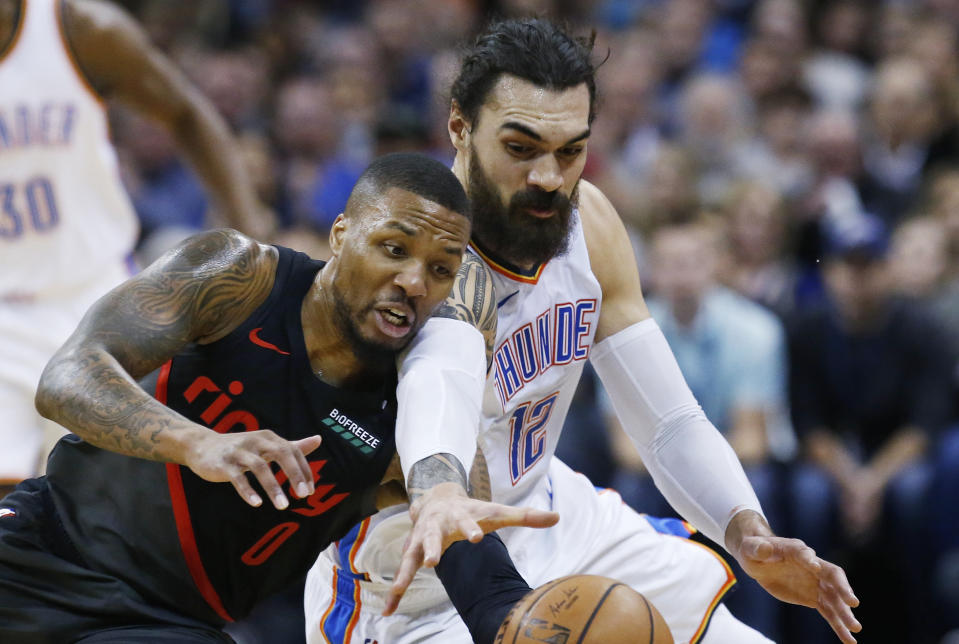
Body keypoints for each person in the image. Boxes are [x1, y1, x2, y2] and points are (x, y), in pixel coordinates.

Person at [306, 19, 861, 644]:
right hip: (419, 579)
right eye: (521, 149)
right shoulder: (414, 272)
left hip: (553, 515)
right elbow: (442, 386)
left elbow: (667, 419)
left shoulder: (587, 221)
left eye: (570, 150)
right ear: (459, 128)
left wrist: (745, 531)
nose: (549, 177)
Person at [0, 153, 556, 643]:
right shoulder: (240, 280)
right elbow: (67, 377)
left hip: (160, 624)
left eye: (440, 270)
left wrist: (515, 620)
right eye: (393, 248)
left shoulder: (412, 421)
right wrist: (198, 444)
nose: (414, 282)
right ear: (341, 235)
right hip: (40, 543)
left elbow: (472, 558)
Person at [0, 0, 270, 495]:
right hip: (3, 312)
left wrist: (248, 231)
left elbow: (185, 110)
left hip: (93, 297)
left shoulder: (79, 28)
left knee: (103, 497)